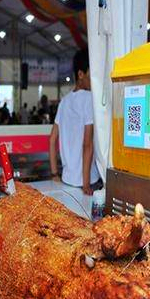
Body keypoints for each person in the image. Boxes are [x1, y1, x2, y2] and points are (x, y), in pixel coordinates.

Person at [49, 48, 100, 195]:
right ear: (80, 74)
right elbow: (87, 144)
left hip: (66, 180)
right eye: (91, 75)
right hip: (87, 182)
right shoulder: (89, 99)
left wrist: (54, 174)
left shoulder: (64, 102)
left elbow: (52, 140)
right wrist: (85, 185)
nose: (94, 79)